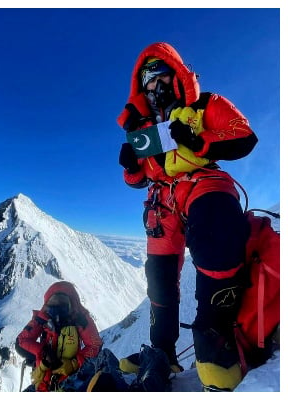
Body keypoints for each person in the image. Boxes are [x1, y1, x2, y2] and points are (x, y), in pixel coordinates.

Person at [116, 42, 257, 391]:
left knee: (216, 236)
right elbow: (139, 179)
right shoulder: (143, 127)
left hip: (203, 183)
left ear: (175, 75)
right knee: (159, 278)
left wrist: (198, 141)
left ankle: (216, 342)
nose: (154, 87)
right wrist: (131, 166)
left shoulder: (206, 105)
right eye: (147, 82)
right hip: (161, 201)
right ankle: (161, 353)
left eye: (159, 77)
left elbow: (243, 137)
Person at [16, 281, 102, 392]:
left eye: (62, 303)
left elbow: (95, 345)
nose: (57, 308)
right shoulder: (42, 318)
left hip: (70, 379)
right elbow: (21, 341)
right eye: (53, 304)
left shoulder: (80, 319)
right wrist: (43, 353)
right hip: (43, 381)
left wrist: (74, 363)